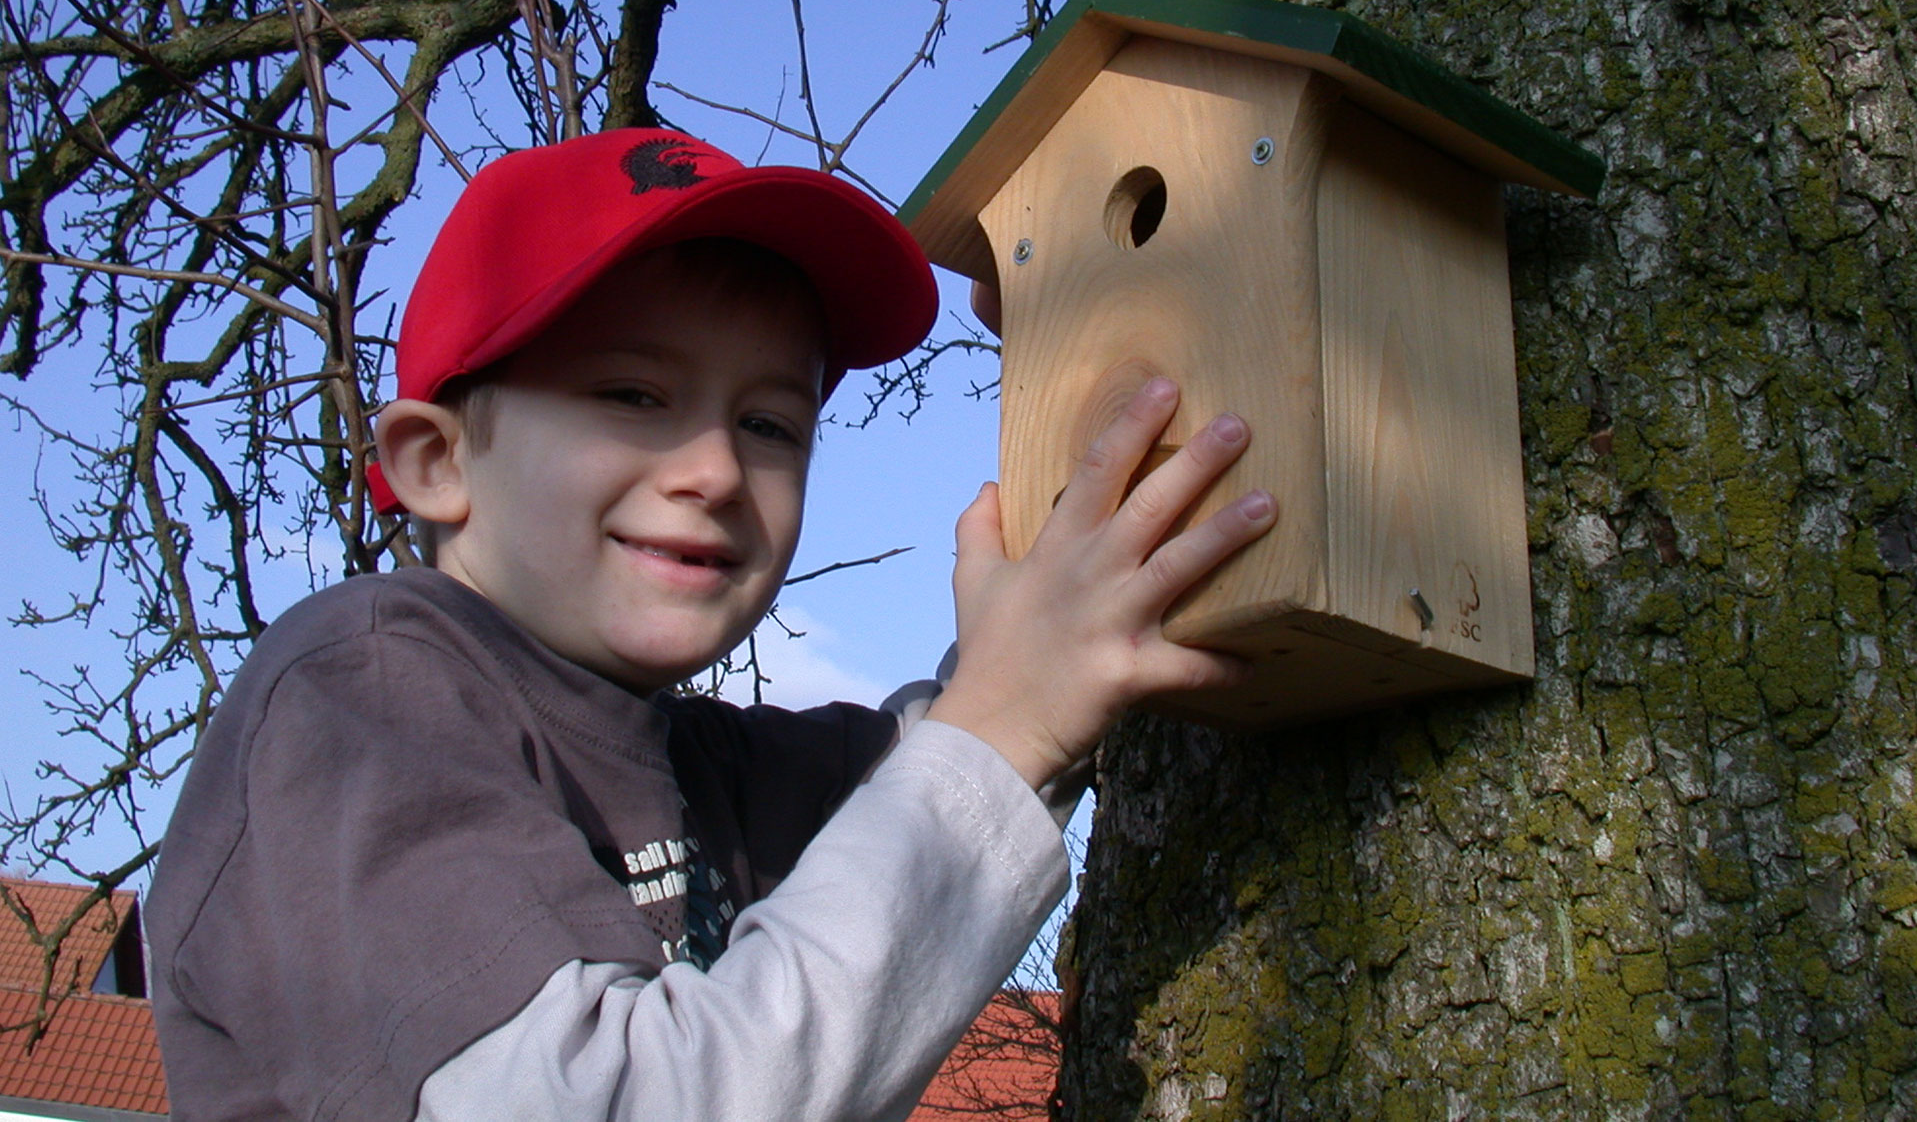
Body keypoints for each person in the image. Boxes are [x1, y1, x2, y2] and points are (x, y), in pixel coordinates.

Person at [144, 128, 1275, 1121]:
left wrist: (1072, 355)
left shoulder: (700, 761)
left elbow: (965, 745)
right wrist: (1009, 722)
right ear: (437, 462)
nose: (715, 469)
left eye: (771, 422)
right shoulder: (358, 699)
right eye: (633, 396)